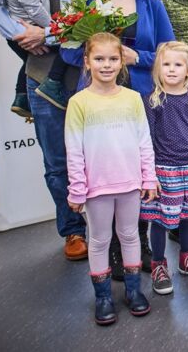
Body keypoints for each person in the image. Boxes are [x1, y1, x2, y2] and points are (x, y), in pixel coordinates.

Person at [61, 0, 175, 278]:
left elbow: (168, 53)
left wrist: (134, 56)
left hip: (139, 99)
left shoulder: (150, 2)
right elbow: (67, 50)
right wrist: (101, 56)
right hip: (97, 102)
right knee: (102, 174)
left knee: (136, 172)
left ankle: (136, 244)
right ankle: (107, 247)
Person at [11, 0, 101, 261]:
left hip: (90, 80)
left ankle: (104, 226)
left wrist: (45, 33)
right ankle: (72, 231)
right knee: (56, 160)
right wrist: (22, 34)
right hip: (42, 77)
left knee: (98, 157)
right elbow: (6, 6)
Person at [65, 33, 157, 325]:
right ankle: (103, 297)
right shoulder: (79, 102)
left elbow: (144, 141)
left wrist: (149, 178)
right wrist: (78, 190)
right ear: (86, 62)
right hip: (97, 188)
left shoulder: (132, 99)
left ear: (122, 62)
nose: (106, 65)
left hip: (130, 184)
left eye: (113, 59)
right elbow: (74, 150)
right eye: (99, 59)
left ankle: (133, 291)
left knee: (130, 235)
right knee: (100, 239)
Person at [140, 42, 188, 295]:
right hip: (165, 170)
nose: (172, 69)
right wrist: (150, 175)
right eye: (166, 64)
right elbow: (147, 140)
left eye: (177, 64)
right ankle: (158, 265)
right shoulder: (152, 101)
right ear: (158, 69)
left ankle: (186, 257)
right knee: (161, 220)